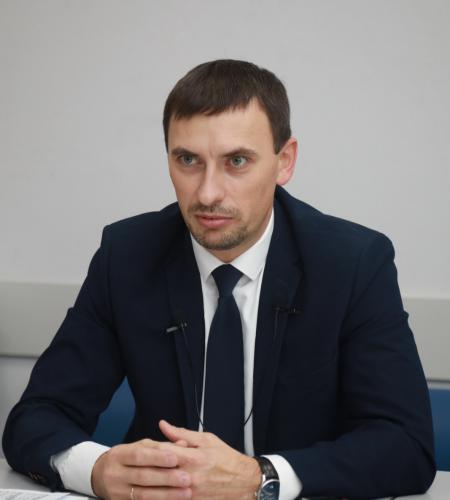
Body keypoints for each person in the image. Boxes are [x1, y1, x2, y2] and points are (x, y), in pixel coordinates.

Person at [2, 59, 435, 500]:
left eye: (237, 161)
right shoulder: (128, 256)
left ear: (284, 162)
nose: (208, 193)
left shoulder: (352, 263)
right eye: (188, 160)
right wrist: (96, 469)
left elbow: (405, 445)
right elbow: (36, 418)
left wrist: (260, 478)